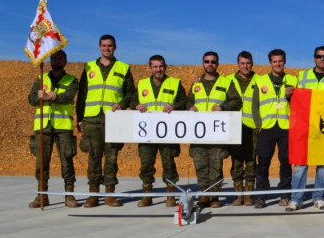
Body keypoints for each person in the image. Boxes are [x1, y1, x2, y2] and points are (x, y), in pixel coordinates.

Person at [75, 34, 137, 207]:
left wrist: (122, 104)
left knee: (111, 158)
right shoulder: (89, 67)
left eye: (110, 46)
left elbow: (130, 93)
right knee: (94, 158)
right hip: (92, 119)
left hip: (113, 119)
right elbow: (82, 95)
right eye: (103, 45)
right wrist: (79, 118)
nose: (107, 48)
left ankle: (110, 194)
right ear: (99, 47)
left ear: (115, 47)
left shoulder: (123, 68)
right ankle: (93, 195)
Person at [289, 46, 324, 211]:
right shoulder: (302, 76)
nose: (322, 59)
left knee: (323, 164)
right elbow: (295, 100)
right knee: (301, 163)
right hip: (306, 125)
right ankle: (296, 198)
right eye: (319, 56)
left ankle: (318, 197)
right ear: (314, 58)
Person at [186, 51, 241, 208]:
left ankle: (215, 196)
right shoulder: (196, 84)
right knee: (200, 165)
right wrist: (190, 107)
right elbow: (188, 101)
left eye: (213, 62)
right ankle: (204, 195)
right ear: (203, 63)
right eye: (207, 61)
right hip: (198, 133)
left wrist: (223, 107)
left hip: (217, 132)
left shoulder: (225, 82)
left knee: (216, 166)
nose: (210, 64)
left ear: (217, 64)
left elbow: (236, 101)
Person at [27, 50, 79, 208]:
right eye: (54, 58)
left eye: (60, 58)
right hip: (43, 128)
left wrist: (53, 96)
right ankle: (41, 195)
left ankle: (69, 195)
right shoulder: (41, 78)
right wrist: (39, 97)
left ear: (65, 61)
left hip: (63, 128)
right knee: (41, 164)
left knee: (67, 163)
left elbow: (69, 96)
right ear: (50, 60)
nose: (57, 61)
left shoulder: (72, 80)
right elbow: (31, 99)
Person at [135, 55, 187, 207]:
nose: (158, 69)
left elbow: (184, 101)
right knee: (146, 164)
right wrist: (136, 105)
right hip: (147, 132)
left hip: (168, 132)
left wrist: (174, 106)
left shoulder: (175, 83)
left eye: (161, 66)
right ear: (150, 68)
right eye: (155, 67)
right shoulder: (142, 84)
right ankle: (147, 195)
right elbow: (132, 100)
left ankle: (170, 195)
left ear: (166, 67)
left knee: (169, 163)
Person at [253, 49, 297, 208]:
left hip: (286, 127)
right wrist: (259, 124)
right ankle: (260, 196)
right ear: (270, 63)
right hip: (267, 127)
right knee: (263, 160)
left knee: (285, 161)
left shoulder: (293, 80)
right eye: (274, 61)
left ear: (284, 61)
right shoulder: (261, 80)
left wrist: (291, 95)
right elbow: (255, 105)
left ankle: (285, 195)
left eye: (280, 61)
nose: (278, 64)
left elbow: (298, 104)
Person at [227, 51, 261, 205]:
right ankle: (238, 194)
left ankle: (248, 194)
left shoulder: (259, 80)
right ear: (238, 64)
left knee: (251, 161)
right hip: (234, 127)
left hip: (253, 127)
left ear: (252, 64)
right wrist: (196, 79)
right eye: (242, 63)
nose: (245, 66)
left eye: (248, 63)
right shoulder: (228, 80)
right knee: (237, 161)